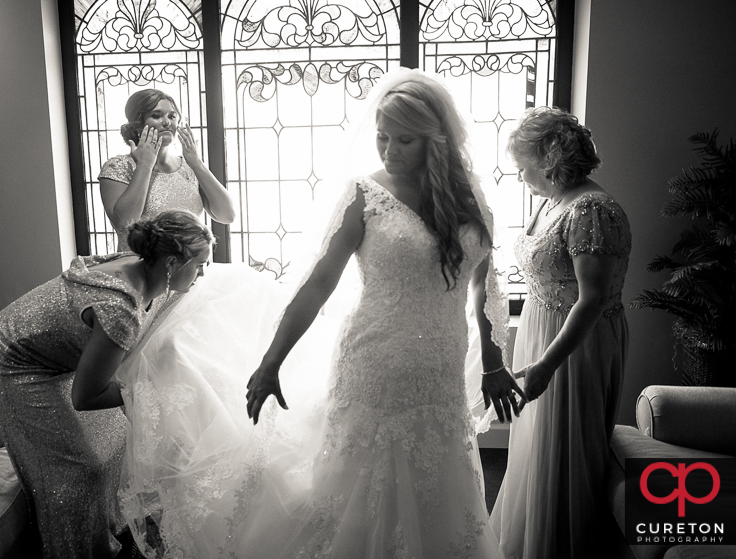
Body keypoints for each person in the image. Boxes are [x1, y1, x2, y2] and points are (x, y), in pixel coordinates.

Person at [234, 69, 521, 558]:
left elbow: (483, 284)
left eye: (403, 139)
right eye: (382, 137)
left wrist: (492, 363)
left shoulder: (469, 197)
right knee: (362, 492)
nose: (388, 149)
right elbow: (319, 283)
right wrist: (271, 360)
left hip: (441, 369)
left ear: (436, 140)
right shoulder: (363, 194)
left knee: (437, 487)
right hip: (373, 360)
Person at [0, 210, 214, 559]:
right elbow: (85, 397)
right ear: (171, 263)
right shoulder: (120, 309)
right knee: (76, 475)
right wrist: (153, 383)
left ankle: (110, 539)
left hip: (50, 350)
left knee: (117, 440)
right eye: (200, 265)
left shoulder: (139, 261)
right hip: (14, 362)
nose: (203, 274)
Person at [488, 107, 631, 559]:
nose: (520, 175)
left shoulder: (593, 209)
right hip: (541, 330)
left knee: (566, 453)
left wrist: (548, 365)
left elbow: (591, 300)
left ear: (548, 157)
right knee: (536, 450)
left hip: (575, 347)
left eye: (522, 165)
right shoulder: (555, 201)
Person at [99, 89, 234, 252]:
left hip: (187, 270)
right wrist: (145, 165)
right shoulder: (118, 167)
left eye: (172, 116)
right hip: (139, 270)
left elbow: (227, 215)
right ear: (137, 124)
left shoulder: (189, 167)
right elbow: (125, 224)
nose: (167, 122)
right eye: (156, 115)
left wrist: (197, 163)